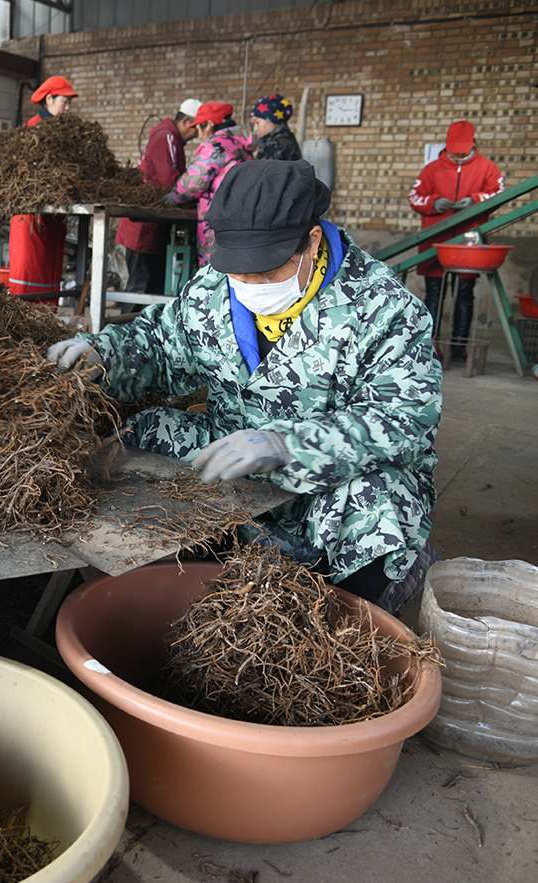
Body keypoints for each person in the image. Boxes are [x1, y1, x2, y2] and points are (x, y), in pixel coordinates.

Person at [47, 160, 441, 615]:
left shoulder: (384, 309)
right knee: (147, 430)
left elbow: (401, 420)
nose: (250, 285)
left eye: (267, 272)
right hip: (233, 454)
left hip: (322, 480)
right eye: (240, 272)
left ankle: (339, 605)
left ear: (311, 241)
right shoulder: (216, 286)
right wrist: (104, 355)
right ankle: (189, 565)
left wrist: (287, 446)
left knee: (378, 506)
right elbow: (162, 342)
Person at [408, 120, 504, 361]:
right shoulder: (432, 169)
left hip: (468, 240)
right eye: (453, 149)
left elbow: (498, 193)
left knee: (464, 292)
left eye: (462, 149)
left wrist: (476, 199)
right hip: (435, 238)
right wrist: (434, 203)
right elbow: (415, 197)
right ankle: (428, 345)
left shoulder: (487, 167)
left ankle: (459, 346)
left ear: (473, 144)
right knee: (434, 293)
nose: (457, 154)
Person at [114, 98, 203, 294]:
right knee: (140, 288)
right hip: (144, 230)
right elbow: (169, 181)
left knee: (149, 287)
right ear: (187, 122)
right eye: (196, 128)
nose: (196, 135)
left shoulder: (170, 138)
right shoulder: (167, 138)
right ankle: (126, 325)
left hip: (151, 229)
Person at [7, 75, 79, 302]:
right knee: (30, 282)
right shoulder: (33, 129)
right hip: (31, 220)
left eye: (69, 103)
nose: (67, 108)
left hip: (52, 219)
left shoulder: (61, 133)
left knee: (50, 281)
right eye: (63, 102)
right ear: (49, 99)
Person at [165, 101, 254, 266]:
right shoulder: (243, 144)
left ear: (210, 125)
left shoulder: (216, 146)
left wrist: (173, 197)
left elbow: (192, 183)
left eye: (199, 127)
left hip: (218, 224)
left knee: (215, 273)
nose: (197, 134)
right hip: (243, 220)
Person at [249, 93, 302, 161]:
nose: (255, 129)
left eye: (258, 122)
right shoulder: (280, 141)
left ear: (273, 121)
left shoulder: (277, 146)